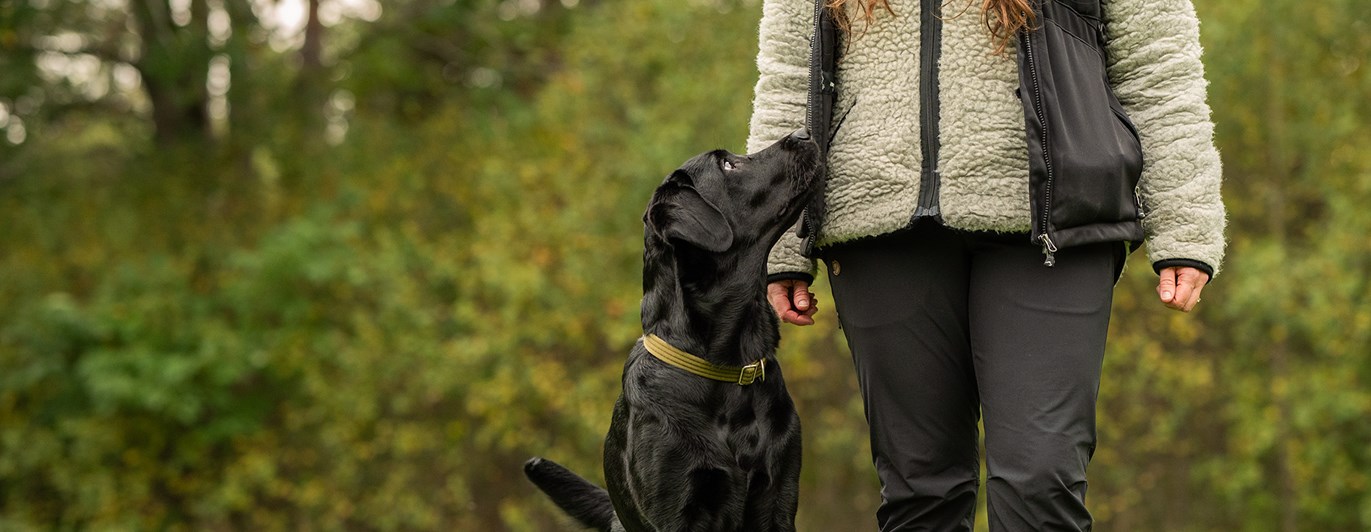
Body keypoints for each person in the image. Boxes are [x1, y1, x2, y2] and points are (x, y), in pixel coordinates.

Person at [747, 0, 1225, 530]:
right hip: (875, 219)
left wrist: (1184, 225)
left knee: (1040, 485)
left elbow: (1159, 69)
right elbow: (790, 78)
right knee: (918, 493)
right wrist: (779, 241)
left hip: (1054, 219)